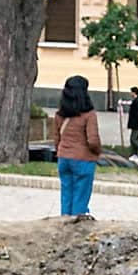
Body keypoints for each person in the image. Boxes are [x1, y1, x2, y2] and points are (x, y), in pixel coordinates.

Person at [54, 74, 101, 219]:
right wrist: (98, 152)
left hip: (64, 158)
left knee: (66, 193)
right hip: (83, 159)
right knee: (81, 195)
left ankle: (64, 222)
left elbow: (57, 139)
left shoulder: (59, 114)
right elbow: (92, 140)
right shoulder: (89, 115)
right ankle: (76, 226)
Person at [126, 86, 138, 158]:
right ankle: (134, 155)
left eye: (131, 92)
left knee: (133, 139)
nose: (130, 93)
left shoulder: (136, 101)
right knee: (134, 140)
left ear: (133, 92)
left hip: (136, 124)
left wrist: (132, 124)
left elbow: (136, 114)